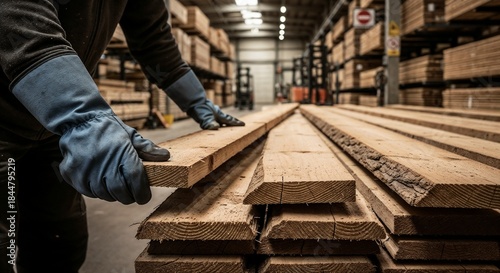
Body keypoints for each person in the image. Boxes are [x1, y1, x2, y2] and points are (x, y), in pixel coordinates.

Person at [0, 1, 244, 272]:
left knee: (59, 243)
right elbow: (16, 18)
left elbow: (152, 39)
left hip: (51, 126)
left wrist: (195, 99)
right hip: (17, 114)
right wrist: (83, 117)